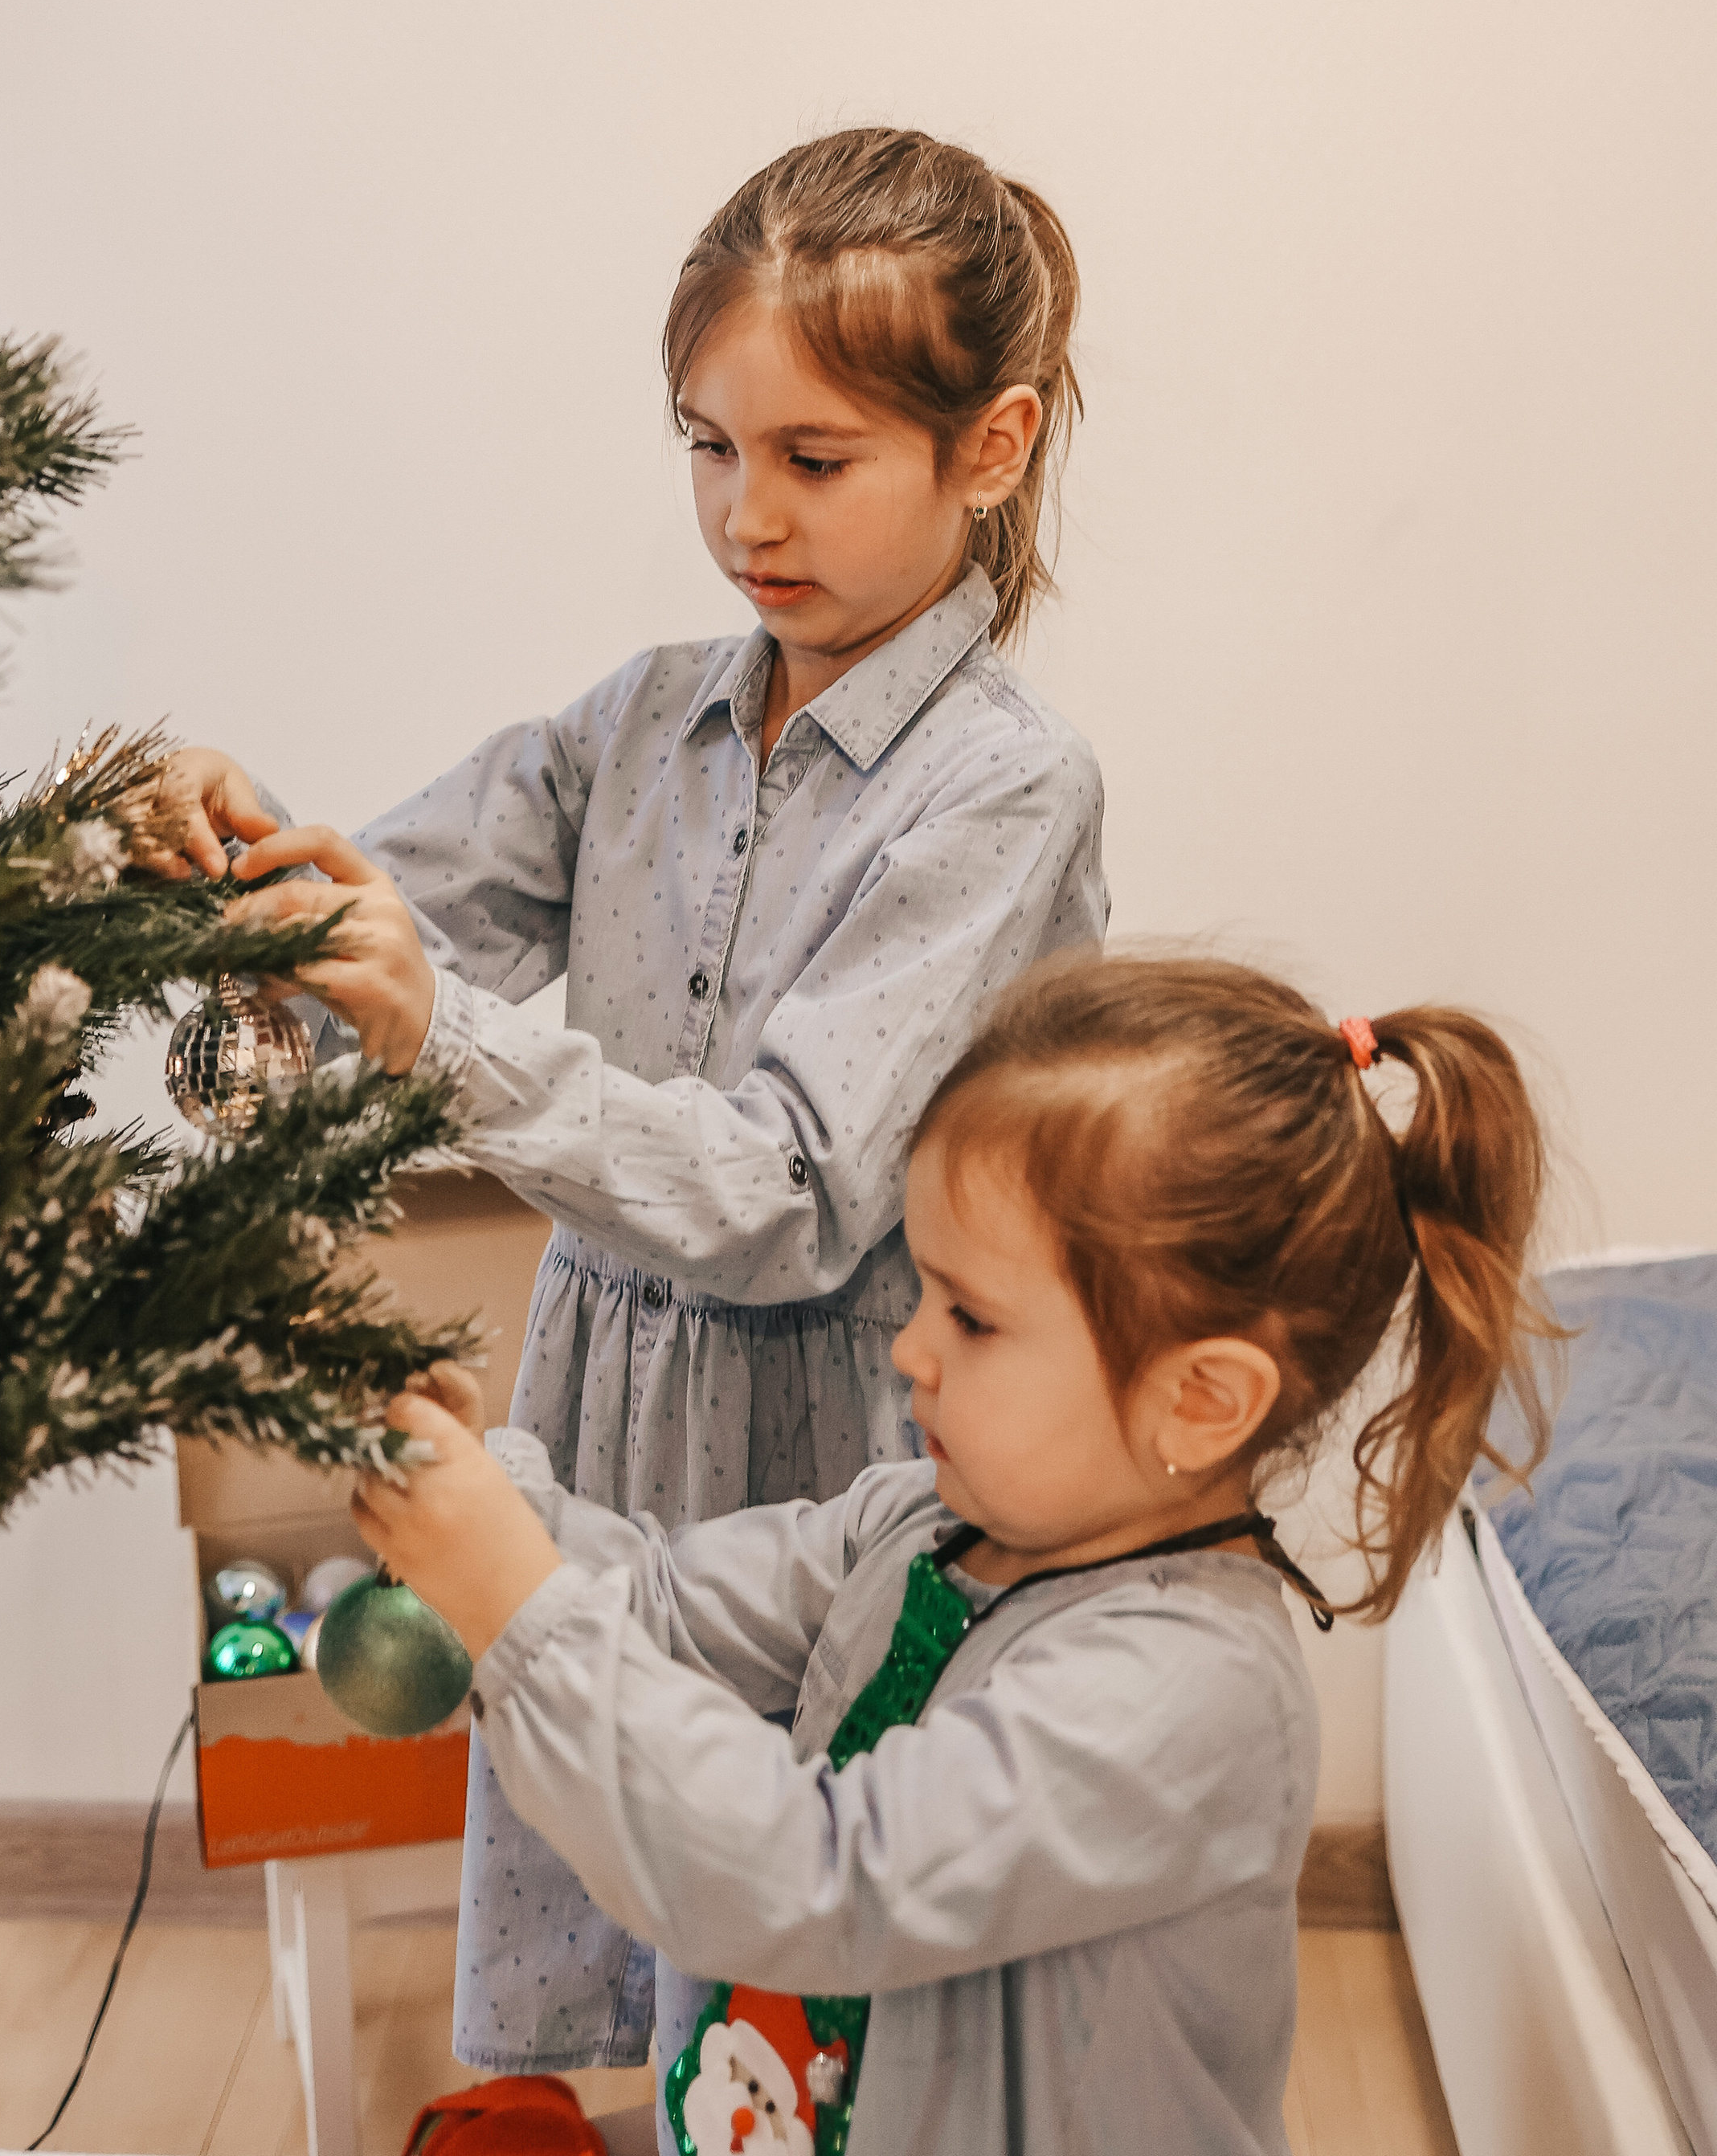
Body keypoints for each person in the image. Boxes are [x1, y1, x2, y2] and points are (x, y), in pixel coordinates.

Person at [148, 127, 1110, 2071]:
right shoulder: (641, 717)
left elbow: (786, 1188)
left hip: (831, 1437)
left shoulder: (1000, 789)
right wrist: (233, 865)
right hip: (602, 1393)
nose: (744, 513)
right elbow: (384, 925)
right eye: (705, 444)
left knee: (778, 1927)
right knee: (592, 1810)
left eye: (811, 459)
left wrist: (442, 1037)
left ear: (987, 447)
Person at [353, 954, 1560, 2156]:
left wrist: (513, 1600)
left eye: (971, 1318)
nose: (911, 1352)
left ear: (1201, 1402)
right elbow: (667, 1602)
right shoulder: (922, 1521)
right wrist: (498, 1501)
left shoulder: (1190, 1691)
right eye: (923, 1293)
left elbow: (819, 1879)